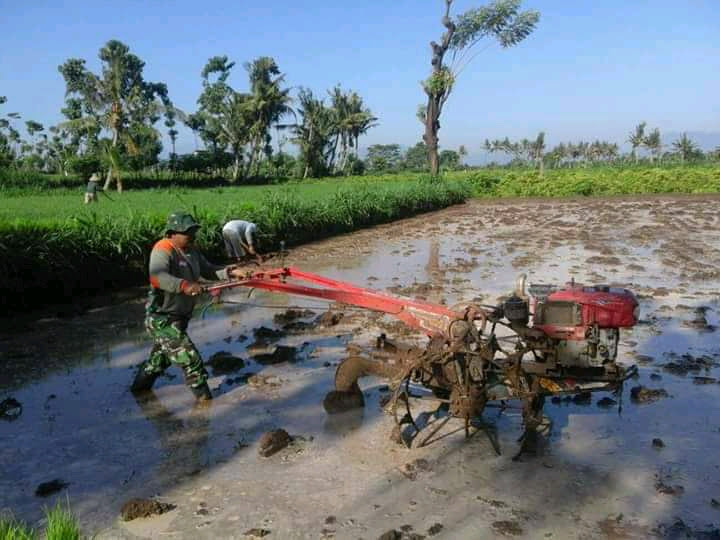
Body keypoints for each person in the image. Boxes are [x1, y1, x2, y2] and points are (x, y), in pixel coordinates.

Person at [131, 211, 248, 401]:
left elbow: (209, 270)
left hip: (180, 318)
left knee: (158, 362)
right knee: (190, 360)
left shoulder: (192, 251)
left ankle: (138, 393)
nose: (192, 236)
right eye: (188, 232)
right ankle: (206, 405)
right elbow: (157, 277)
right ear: (172, 233)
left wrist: (232, 272)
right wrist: (184, 285)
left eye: (193, 232)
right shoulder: (163, 249)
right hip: (162, 318)